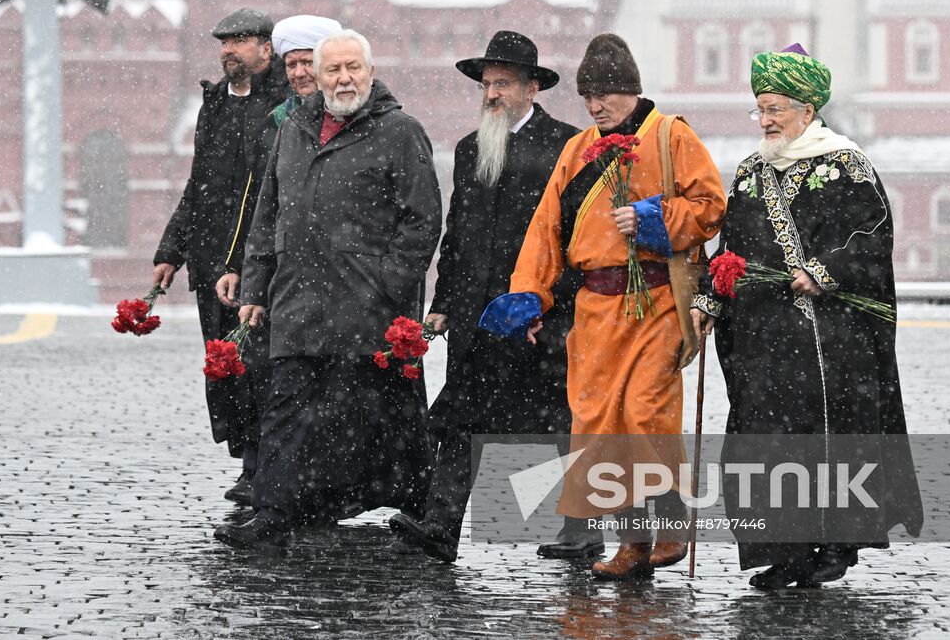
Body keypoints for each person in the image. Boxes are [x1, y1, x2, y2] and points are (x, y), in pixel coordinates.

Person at [480, 33, 726, 580]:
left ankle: (671, 518)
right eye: (589, 97)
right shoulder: (577, 149)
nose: (596, 106)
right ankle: (633, 544)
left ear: (632, 91)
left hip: (657, 299)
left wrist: (655, 221)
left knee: (644, 413)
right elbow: (546, 230)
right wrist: (529, 293)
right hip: (594, 308)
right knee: (598, 425)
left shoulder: (671, 136)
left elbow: (710, 207)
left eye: (607, 95)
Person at [691, 44, 922, 589]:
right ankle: (784, 552)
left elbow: (872, 236)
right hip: (764, 338)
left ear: (806, 109)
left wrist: (823, 270)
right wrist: (710, 296)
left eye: (774, 109)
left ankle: (837, 544)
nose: (765, 120)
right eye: (760, 109)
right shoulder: (749, 173)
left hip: (832, 336)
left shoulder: (846, 164)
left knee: (830, 438)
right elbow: (732, 251)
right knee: (767, 441)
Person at [215, 29, 442, 556]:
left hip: (368, 307)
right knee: (286, 408)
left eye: (352, 68)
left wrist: (390, 282)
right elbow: (266, 212)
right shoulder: (292, 129)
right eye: (333, 70)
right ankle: (272, 513)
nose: (344, 79)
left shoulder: (400, 131)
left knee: (382, 412)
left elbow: (422, 219)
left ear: (370, 71)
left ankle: (423, 509)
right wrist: (255, 285)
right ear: (315, 78)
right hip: (297, 300)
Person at [386, 31, 585, 564]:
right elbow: (459, 232)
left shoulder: (568, 145)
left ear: (532, 88)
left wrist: (554, 303)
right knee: (463, 416)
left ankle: (581, 532)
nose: (491, 94)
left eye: (503, 84)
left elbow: (575, 238)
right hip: (477, 312)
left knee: (557, 419)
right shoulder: (472, 146)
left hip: (538, 312)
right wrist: (445, 301)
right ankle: (441, 525)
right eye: (486, 84)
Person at [152, 8, 287, 503]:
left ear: (266, 50)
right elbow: (199, 185)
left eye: (242, 40)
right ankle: (247, 459)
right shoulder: (213, 103)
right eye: (224, 42)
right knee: (225, 365)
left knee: (262, 366)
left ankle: (263, 468)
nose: (230, 49)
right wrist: (172, 250)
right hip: (211, 262)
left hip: (260, 264)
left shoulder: (284, 105)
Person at [212, 14, 342, 506]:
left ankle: (573, 533)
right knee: (276, 383)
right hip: (290, 281)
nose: (300, 72)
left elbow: (415, 217)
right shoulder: (281, 124)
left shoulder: (386, 126)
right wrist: (243, 271)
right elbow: (258, 206)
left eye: (310, 62)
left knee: (546, 409)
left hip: (345, 285)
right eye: (293, 63)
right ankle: (270, 488)